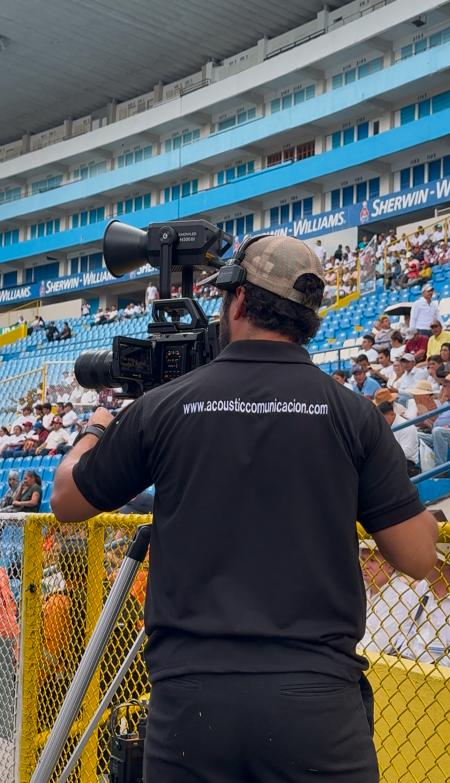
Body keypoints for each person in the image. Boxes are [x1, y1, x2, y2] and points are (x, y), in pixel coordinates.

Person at [51, 234, 437, 783]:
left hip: (191, 706)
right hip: (318, 705)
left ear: (236, 302)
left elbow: (66, 501)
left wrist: (94, 430)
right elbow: (417, 556)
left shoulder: (165, 406)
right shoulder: (354, 415)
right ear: (309, 317)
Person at [377, 401, 419, 477]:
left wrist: (385, 455)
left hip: (406, 464)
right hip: (392, 461)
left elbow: (407, 452)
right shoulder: (385, 426)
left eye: (382, 418)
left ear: (392, 414)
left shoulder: (407, 426)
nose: (381, 421)